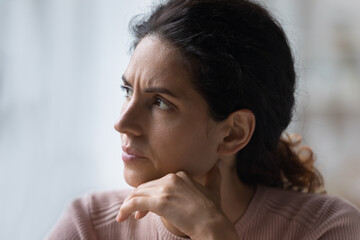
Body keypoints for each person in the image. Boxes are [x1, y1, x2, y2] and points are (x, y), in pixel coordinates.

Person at [47, 0, 360, 239]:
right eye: (127, 90)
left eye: (159, 102)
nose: (122, 122)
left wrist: (213, 232)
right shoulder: (88, 225)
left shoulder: (325, 228)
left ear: (232, 134)